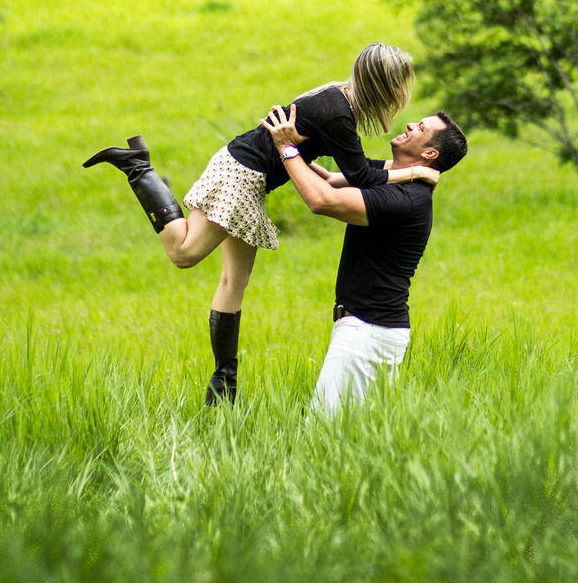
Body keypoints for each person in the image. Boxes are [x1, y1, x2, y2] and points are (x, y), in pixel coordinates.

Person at [82, 43, 439, 405]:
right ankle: (138, 166)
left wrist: (406, 172)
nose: (401, 96)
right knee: (183, 252)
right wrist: (414, 172)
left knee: (232, 281)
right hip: (242, 173)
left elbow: (353, 167)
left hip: (249, 174)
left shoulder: (338, 103)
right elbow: (361, 175)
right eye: (399, 85)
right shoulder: (338, 112)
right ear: (383, 84)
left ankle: (224, 385)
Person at [261, 102, 468, 414]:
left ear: (430, 154)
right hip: (372, 330)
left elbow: (321, 200)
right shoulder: (398, 179)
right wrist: (293, 148)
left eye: (421, 129)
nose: (411, 125)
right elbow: (329, 179)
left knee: (323, 434)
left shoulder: (406, 199)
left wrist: (286, 147)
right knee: (348, 437)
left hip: (368, 334)